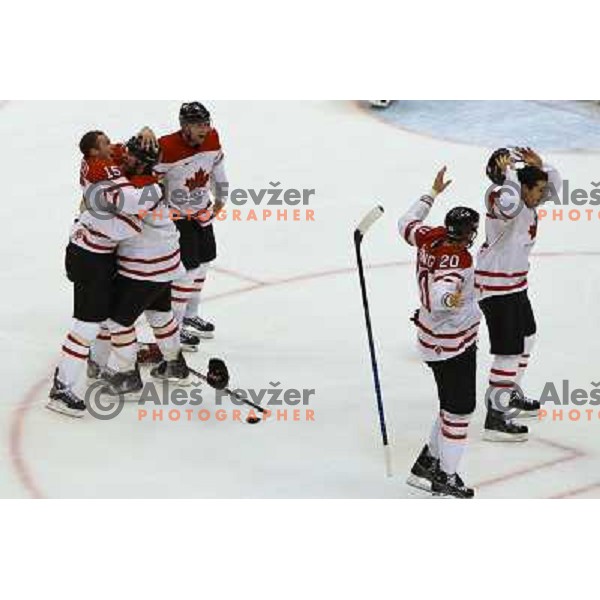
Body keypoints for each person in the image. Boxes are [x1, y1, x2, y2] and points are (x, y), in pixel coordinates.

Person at [47, 131, 153, 417]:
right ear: (96, 152)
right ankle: (61, 388)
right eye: (106, 144)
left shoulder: (98, 164)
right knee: (87, 325)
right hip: (90, 257)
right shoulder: (111, 178)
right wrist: (153, 181)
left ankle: (96, 362)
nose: (120, 153)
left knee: (100, 318)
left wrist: (143, 132)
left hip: (88, 248)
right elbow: (136, 200)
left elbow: (123, 153)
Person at [399, 167, 480, 499]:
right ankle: (445, 476)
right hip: (451, 345)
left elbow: (405, 222)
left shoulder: (429, 236)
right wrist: (451, 297)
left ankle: (428, 462)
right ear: (466, 234)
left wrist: (430, 194)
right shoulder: (456, 258)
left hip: (434, 338)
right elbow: (440, 295)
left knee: (450, 405)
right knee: (460, 411)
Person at [478, 147, 561, 441]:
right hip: (496, 289)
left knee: (527, 338)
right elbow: (510, 205)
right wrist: (512, 173)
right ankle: (495, 418)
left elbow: (556, 188)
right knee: (508, 352)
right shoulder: (498, 196)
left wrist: (542, 166)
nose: (542, 194)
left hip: (515, 286)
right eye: (536, 189)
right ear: (521, 185)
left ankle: (509, 394)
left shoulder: (527, 200)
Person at [139, 102, 229, 344]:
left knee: (204, 263)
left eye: (207, 123)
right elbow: (147, 176)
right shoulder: (166, 147)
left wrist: (221, 196)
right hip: (177, 218)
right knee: (186, 272)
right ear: (184, 126)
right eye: (198, 124)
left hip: (203, 213)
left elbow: (216, 165)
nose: (205, 128)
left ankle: (190, 316)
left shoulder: (212, 138)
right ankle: (174, 331)